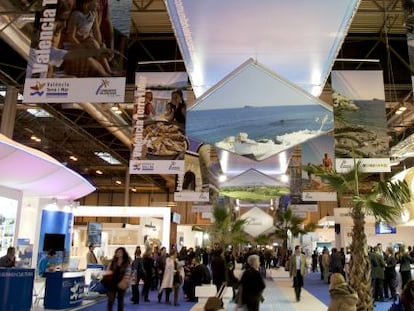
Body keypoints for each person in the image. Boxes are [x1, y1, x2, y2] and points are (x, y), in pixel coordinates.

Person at [105, 247, 131, 311]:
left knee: (120, 300)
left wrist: (125, 281)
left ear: (124, 253)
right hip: (112, 283)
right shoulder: (112, 262)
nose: (119, 253)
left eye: (120, 252)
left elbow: (128, 272)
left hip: (122, 282)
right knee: (110, 300)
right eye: (117, 252)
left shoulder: (126, 263)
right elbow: (108, 270)